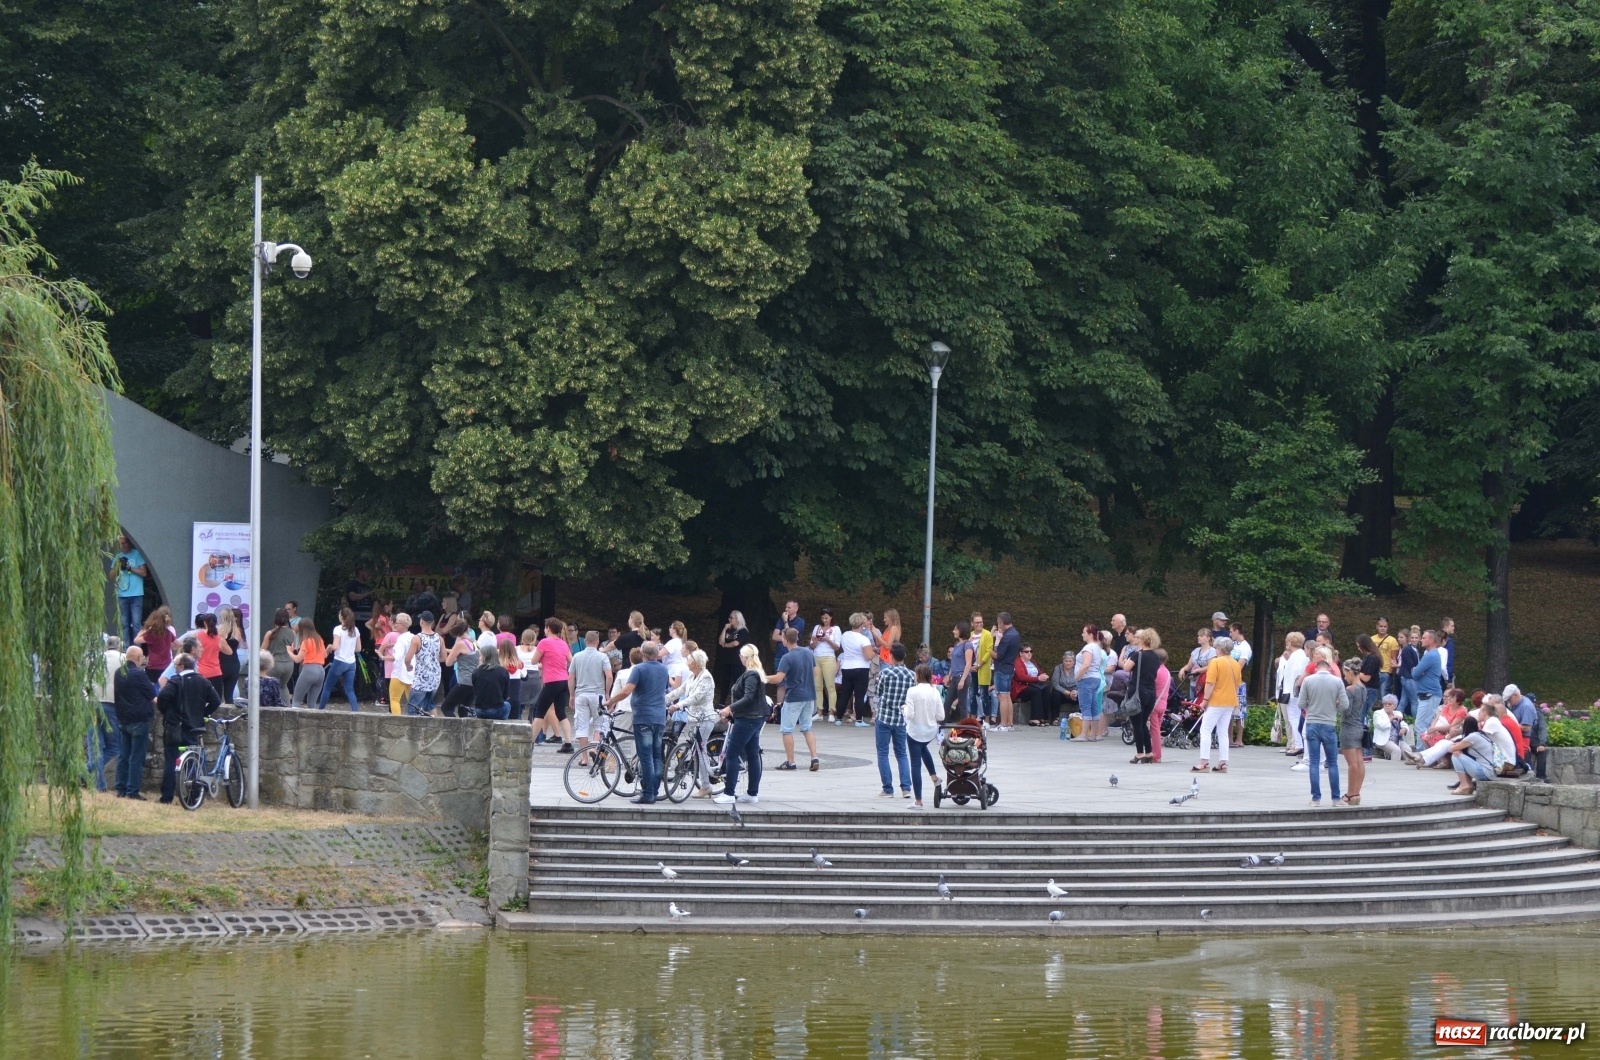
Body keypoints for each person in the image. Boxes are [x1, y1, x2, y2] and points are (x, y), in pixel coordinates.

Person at [156, 653, 221, 804]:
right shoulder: (203, 681)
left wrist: (166, 712)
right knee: (193, 762)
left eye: (176, 665)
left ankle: (167, 797)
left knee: (171, 761)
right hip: (194, 728)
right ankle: (193, 797)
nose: (174, 667)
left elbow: (163, 697)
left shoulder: (176, 681)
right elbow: (216, 701)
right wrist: (202, 714)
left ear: (182, 666)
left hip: (175, 727)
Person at [609, 643, 667, 803]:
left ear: (642, 654)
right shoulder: (664, 669)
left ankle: (648, 794)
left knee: (646, 756)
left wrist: (611, 701)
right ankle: (654, 791)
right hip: (660, 716)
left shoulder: (639, 669)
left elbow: (627, 690)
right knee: (656, 756)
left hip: (643, 717)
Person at [713, 645, 766, 806]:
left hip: (748, 719)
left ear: (745, 657)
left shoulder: (750, 675)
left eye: (741, 656)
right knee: (752, 754)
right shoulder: (757, 673)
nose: (739, 658)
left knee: (731, 754)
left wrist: (730, 708)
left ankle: (729, 792)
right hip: (755, 717)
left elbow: (748, 697)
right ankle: (752, 793)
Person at [666, 649, 718, 798]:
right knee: (697, 752)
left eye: (688, 660)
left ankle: (706, 785)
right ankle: (705, 781)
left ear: (694, 663)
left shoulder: (706, 677)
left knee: (700, 753)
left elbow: (697, 697)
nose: (687, 662)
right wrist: (663, 700)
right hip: (693, 718)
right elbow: (679, 690)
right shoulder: (692, 676)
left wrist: (679, 705)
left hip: (705, 718)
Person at [869, 642, 915, 798]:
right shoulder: (911, 675)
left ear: (891, 656)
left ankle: (888, 789)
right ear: (905, 656)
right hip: (901, 719)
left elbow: (878, 691)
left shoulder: (885, 673)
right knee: (902, 753)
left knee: (882, 753)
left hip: (885, 717)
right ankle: (906, 788)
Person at [1299, 648, 1343, 806]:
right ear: (1330, 668)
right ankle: (1336, 798)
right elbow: (1345, 704)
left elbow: (1301, 704)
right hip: (1329, 723)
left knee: (1314, 762)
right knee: (1332, 763)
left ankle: (1315, 798)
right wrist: (1333, 705)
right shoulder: (1337, 681)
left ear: (1316, 668)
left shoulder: (1308, 681)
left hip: (1312, 723)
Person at [112, 645, 157, 799]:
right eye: (143, 657)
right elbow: (152, 695)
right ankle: (132, 790)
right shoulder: (139, 674)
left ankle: (120, 788)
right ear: (138, 658)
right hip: (139, 719)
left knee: (123, 755)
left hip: (123, 718)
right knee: (136, 757)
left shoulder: (119, 672)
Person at [773, 627, 819, 772]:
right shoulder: (807, 652)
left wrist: (761, 676)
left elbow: (778, 679)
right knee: (807, 728)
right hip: (809, 696)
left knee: (787, 730)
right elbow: (815, 672)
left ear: (785, 640)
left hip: (794, 697)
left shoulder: (787, 657)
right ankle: (814, 757)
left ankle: (791, 762)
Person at [1193, 637, 1242, 772]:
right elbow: (1237, 685)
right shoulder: (1235, 664)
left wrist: (1205, 700)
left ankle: (1204, 761)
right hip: (1230, 701)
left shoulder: (1216, 662)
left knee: (1206, 730)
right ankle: (1223, 762)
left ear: (1219, 649)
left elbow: (1210, 683)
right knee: (1222, 732)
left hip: (1216, 701)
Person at [529, 617, 575, 751]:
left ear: (548, 628)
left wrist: (543, 663)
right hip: (563, 681)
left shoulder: (544, 642)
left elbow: (533, 660)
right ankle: (568, 743)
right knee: (561, 712)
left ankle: (530, 742)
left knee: (540, 711)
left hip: (551, 681)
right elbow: (570, 661)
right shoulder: (563, 643)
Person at [903, 665, 945, 808]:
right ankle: (934, 778)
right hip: (930, 731)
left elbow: (909, 715)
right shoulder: (935, 692)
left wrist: (904, 708)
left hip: (915, 731)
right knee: (923, 749)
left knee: (915, 764)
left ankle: (918, 800)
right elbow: (941, 715)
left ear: (918, 675)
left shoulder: (912, 691)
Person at [88, 637, 125, 792]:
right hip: (112, 703)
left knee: (95, 744)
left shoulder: (93, 658)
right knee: (114, 746)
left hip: (92, 703)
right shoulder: (123, 659)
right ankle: (85, 773)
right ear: (120, 646)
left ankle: (96, 781)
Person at [570, 630, 614, 748]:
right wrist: (607, 692)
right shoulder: (603, 657)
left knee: (582, 726)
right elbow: (609, 676)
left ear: (585, 641)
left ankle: (584, 758)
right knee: (599, 723)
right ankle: (594, 749)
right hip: (598, 694)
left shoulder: (576, 656)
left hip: (581, 694)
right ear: (598, 642)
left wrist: (572, 695)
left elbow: (571, 677)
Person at [313, 608, 361, 712]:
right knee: (349, 689)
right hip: (351, 663)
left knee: (327, 687)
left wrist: (329, 646)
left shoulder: (338, 629)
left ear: (342, 617)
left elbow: (335, 646)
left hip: (339, 661)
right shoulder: (355, 630)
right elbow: (358, 649)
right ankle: (356, 711)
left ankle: (321, 710)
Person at [1125, 629, 1161, 765]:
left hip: (1137, 691)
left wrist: (1128, 658)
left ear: (1143, 640)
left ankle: (1140, 753)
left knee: (1137, 724)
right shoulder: (1155, 657)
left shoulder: (1138, 654)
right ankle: (1149, 752)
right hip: (1151, 692)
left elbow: (1126, 668)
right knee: (1143, 723)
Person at [110, 533, 150, 644]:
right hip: (122, 595)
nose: (123, 545)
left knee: (136, 623)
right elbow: (111, 575)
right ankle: (126, 648)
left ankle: (136, 649)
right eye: (121, 544)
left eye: (125, 543)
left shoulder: (137, 554)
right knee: (124, 623)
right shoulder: (118, 556)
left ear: (129, 542)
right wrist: (118, 566)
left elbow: (144, 572)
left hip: (136, 594)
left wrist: (130, 568)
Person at [1339, 660, 1368, 805]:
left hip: (1348, 728)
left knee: (1352, 764)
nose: (1345, 678)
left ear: (1350, 672)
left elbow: (1347, 710)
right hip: (1358, 727)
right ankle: (1356, 793)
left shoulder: (1350, 690)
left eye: (1345, 674)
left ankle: (1349, 794)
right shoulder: (1363, 688)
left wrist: (1338, 702)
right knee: (1359, 762)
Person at [837, 612, 875, 727]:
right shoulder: (863, 639)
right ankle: (859, 720)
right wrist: (874, 652)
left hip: (846, 667)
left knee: (845, 694)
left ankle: (838, 718)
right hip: (861, 668)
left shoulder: (844, 635)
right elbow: (868, 656)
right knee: (859, 694)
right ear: (862, 624)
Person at [1277, 632, 1309, 763]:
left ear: (1290, 642)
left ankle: (1298, 744)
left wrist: (1292, 691)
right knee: (1295, 717)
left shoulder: (1296, 656)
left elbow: (1295, 674)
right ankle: (1298, 743)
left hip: (1292, 692)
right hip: (1294, 691)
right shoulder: (1299, 655)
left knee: (1293, 717)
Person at [1412, 629, 1446, 749]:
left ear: (1431, 640)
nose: (1421, 640)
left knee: (1421, 724)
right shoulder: (1432, 654)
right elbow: (1417, 672)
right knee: (1425, 724)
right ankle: (1427, 753)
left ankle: (1421, 754)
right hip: (1428, 694)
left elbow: (1415, 674)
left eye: (1424, 637)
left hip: (1429, 694)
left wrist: (1417, 671)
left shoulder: (1430, 655)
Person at [1447, 715, 1497, 796]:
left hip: (1485, 772)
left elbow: (1450, 749)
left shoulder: (1472, 737)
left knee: (1455, 755)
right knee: (1459, 754)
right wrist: (1459, 746)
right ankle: (1468, 785)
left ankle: (1464, 785)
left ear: (1466, 727)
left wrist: (1456, 747)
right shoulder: (1480, 735)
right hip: (1491, 773)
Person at [404, 611, 443, 716]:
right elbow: (444, 657)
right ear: (433, 622)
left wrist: (409, 666)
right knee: (430, 705)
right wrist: (432, 659)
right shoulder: (439, 638)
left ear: (422, 622)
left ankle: (414, 731)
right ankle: (435, 727)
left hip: (421, 679)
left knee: (413, 708)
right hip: (435, 677)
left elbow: (407, 659)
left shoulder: (417, 638)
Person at [1075, 624, 1106, 742]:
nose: (1082, 634)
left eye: (1084, 632)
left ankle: (1083, 735)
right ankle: (1093, 735)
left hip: (1086, 679)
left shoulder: (1088, 648)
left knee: (1085, 706)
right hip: (1096, 678)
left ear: (1090, 635)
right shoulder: (1098, 647)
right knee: (1094, 706)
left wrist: (1077, 676)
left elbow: (1086, 664)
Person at [992, 612, 1022, 731]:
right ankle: (1009, 724)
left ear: (1001, 623)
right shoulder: (1015, 633)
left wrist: (988, 650)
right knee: (1007, 695)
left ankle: (1003, 724)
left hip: (1002, 668)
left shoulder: (1007, 636)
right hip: (1009, 667)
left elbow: (999, 655)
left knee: (1002, 696)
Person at [134, 606, 178, 687]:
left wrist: (145, 630)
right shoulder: (168, 632)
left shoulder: (152, 634)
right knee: (165, 688)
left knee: (150, 689)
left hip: (153, 666)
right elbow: (178, 644)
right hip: (167, 665)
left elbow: (136, 640)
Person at [810, 608, 841, 723]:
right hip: (816, 657)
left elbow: (837, 647)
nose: (824, 620)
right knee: (817, 686)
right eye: (822, 618)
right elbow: (812, 645)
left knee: (830, 686)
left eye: (826, 618)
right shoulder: (817, 628)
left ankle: (832, 711)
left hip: (829, 657)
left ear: (831, 617)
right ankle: (819, 712)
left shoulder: (835, 629)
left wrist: (827, 640)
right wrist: (815, 641)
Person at [287, 621, 327, 709]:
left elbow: (297, 659)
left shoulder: (306, 641)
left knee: (296, 700)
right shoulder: (319, 639)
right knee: (312, 704)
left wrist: (289, 651)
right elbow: (325, 655)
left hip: (309, 670)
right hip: (321, 671)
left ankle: (293, 722)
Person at [194, 612, 232, 701]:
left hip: (201, 671)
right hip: (215, 672)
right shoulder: (220, 639)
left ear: (204, 623)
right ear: (216, 623)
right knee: (216, 699)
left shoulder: (197, 636)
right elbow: (229, 652)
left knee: (200, 698)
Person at [1043, 649, 1078, 739]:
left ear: (1074, 662)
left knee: (1082, 696)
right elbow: (1055, 684)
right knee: (1055, 694)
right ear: (1063, 661)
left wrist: (1075, 692)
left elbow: (1081, 683)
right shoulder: (1058, 668)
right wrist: (1066, 692)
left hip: (1074, 692)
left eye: (1070, 661)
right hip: (1062, 692)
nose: (1068, 663)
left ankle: (1080, 719)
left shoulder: (1078, 668)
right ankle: (1055, 718)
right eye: (1066, 661)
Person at [381, 612, 411, 715]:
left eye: (397, 623)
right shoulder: (413, 637)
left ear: (402, 625)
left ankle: (397, 721)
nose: (395, 624)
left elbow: (396, 657)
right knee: (412, 700)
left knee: (394, 699)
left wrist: (384, 657)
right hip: (411, 673)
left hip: (399, 673)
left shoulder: (401, 639)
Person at [470, 644, 511, 719]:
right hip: (496, 710)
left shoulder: (476, 672)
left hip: (479, 710)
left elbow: (475, 691)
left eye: (480, 656)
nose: (479, 658)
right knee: (507, 704)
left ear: (485, 657)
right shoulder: (503, 671)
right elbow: (505, 695)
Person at [1227, 623, 1252, 747]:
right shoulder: (1232, 644)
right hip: (1228, 682)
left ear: (1237, 631)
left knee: (1240, 712)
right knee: (1229, 711)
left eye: (1231, 632)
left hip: (1238, 682)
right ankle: (1229, 738)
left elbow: (1239, 666)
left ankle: (1239, 739)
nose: (1230, 634)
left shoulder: (1245, 647)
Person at [970, 613, 996, 727]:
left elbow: (989, 651)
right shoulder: (970, 635)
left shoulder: (987, 634)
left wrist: (980, 664)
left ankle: (986, 720)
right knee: (972, 694)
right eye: (977, 622)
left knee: (984, 694)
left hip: (983, 668)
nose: (979, 624)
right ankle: (973, 719)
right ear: (972, 623)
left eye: (981, 622)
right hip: (972, 668)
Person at [1012, 643, 1048, 726]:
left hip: (1033, 684)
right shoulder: (1018, 662)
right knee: (1036, 692)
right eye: (1026, 651)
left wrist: (1043, 676)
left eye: (1031, 651)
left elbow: (1039, 672)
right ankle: (1034, 719)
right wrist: (1037, 679)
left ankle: (1044, 717)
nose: (1029, 653)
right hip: (1020, 687)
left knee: (1046, 689)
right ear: (1021, 653)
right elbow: (1021, 677)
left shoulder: (1032, 661)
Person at [718, 611, 751, 699]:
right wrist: (724, 629)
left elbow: (736, 643)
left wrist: (726, 645)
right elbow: (721, 641)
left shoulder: (743, 631)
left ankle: (738, 702)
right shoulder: (728, 629)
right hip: (727, 660)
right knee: (725, 682)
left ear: (738, 619)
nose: (729, 619)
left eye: (731, 618)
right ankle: (721, 703)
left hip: (737, 661)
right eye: (729, 617)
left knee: (738, 683)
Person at [945, 621, 975, 718]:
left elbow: (968, 663)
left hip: (962, 676)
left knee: (962, 704)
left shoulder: (968, 645)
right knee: (947, 702)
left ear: (961, 631)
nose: (953, 631)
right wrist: (949, 676)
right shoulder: (957, 644)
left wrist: (962, 680)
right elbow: (953, 662)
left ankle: (963, 726)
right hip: (955, 677)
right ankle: (941, 726)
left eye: (956, 629)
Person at [1176, 629, 1216, 701]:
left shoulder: (1212, 651)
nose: (1198, 637)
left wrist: (1198, 670)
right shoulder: (1196, 650)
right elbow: (1189, 666)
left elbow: (1211, 667)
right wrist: (1183, 669)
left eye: (1201, 636)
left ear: (1208, 638)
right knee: (1192, 704)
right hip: (1193, 683)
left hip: (1204, 684)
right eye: (1198, 636)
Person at [262, 608, 296, 691]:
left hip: (275, 663)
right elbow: (293, 647)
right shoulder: (293, 632)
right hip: (289, 664)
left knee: (269, 687)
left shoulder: (270, 633)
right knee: (283, 687)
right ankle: (286, 704)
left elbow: (262, 650)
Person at [215, 608, 243, 703]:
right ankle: (230, 714)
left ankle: (216, 715)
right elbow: (238, 646)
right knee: (229, 695)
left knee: (217, 693)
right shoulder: (238, 631)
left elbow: (217, 646)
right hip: (234, 663)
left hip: (220, 663)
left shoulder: (219, 630)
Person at [1150, 648, 1173, 763]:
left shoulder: (1156, 671)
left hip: (1154, 703)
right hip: (1163, 703)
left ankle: (1156, 754)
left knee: (1154, 730)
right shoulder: (1167, 672)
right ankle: (1156, 754)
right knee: (1157, 729)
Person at [1396, 628, 1421, 723]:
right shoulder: (1407, 649)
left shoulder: (1414, 649)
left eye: (1416, 637)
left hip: (1406, 678)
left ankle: (1395, 721)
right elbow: (1412, 666)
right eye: (1412, 637)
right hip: (1409, 678)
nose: (1414, 639)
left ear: (1419, 638)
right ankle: (1415, 723)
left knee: (1403, 701)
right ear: (1409, 638)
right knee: (1415, 702)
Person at [1373, 618, 1400, 701]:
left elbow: (1394, 658)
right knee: (1373, 692)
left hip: (1386, 670)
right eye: (1381, 626)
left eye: (1385, 626)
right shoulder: (1371, 639)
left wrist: (1390, 672)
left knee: (1384, 693)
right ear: (1377, 626)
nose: (1382, 628)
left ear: (1387, 627)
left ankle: (1386, 710)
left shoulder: (1392, 640)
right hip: (1374, 670)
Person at [771, 600, 804, 665]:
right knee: (779, 675)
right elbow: (774, 636)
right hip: (780, 656)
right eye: (786, 607)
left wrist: (785, 621)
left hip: (793, 656)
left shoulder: (800, 621)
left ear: (796, 609)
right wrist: (786, 638)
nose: (786, 609)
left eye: (789, 607)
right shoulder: (781, 620)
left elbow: (790, 635)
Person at [1440, 617, 1457, 687]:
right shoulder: (1448, 641)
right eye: (1452, 626)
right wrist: (1449, 679)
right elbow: (1449, 660)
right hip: (1444, 676)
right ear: (1446, 627)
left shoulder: (1437, 639)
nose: (1454, 628)